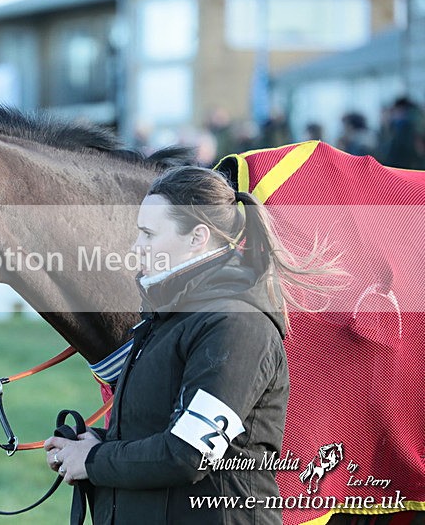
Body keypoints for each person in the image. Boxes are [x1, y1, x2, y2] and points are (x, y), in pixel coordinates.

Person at [44, 166, 340, 524]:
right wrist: (92, 444)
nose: (137, 247)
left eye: (148, 234)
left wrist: (93, 461)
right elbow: (157, 434)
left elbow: (187, 454)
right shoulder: (168, 318)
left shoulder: (236, 324)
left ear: (197, 237)